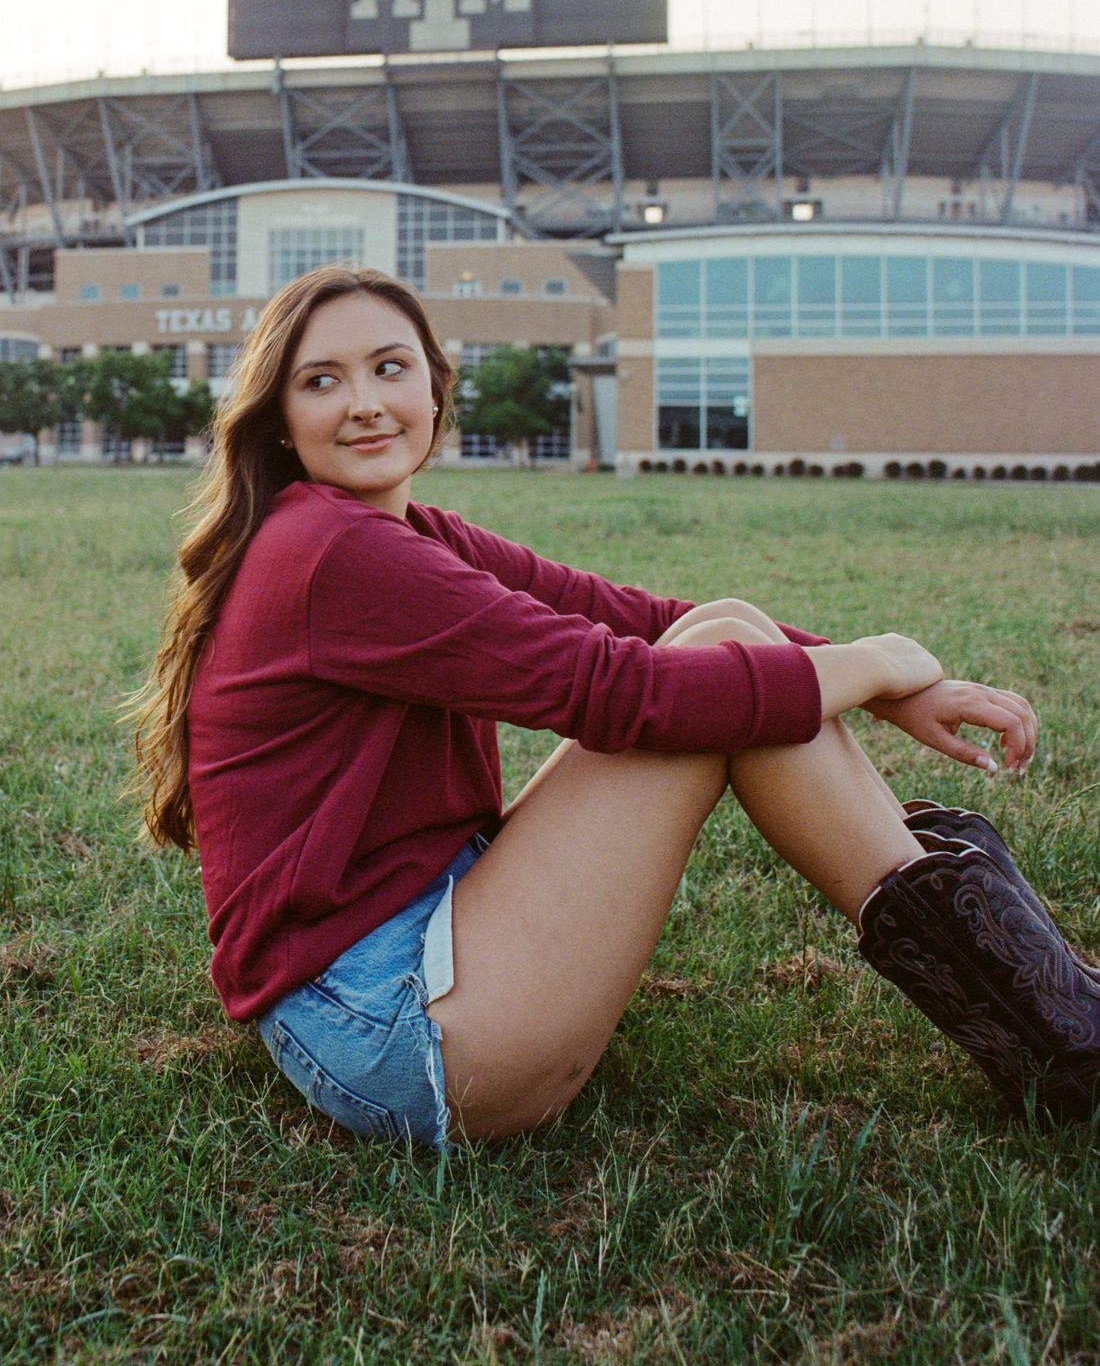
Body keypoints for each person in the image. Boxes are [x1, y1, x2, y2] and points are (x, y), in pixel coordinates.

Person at [133, 266, 1098, 1145]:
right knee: (710, 673)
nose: (366, 403)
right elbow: (621, 694)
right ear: (279, 418)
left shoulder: (406, 533)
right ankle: (1055, 1031)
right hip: (387, 1028)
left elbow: (627, 616)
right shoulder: (336, 553)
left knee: (724, 628)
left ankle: (1050, 1014)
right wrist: (875, 662)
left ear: (434, 386)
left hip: (414, 951)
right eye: (322, 381)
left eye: (390, 368)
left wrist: (892, 689)